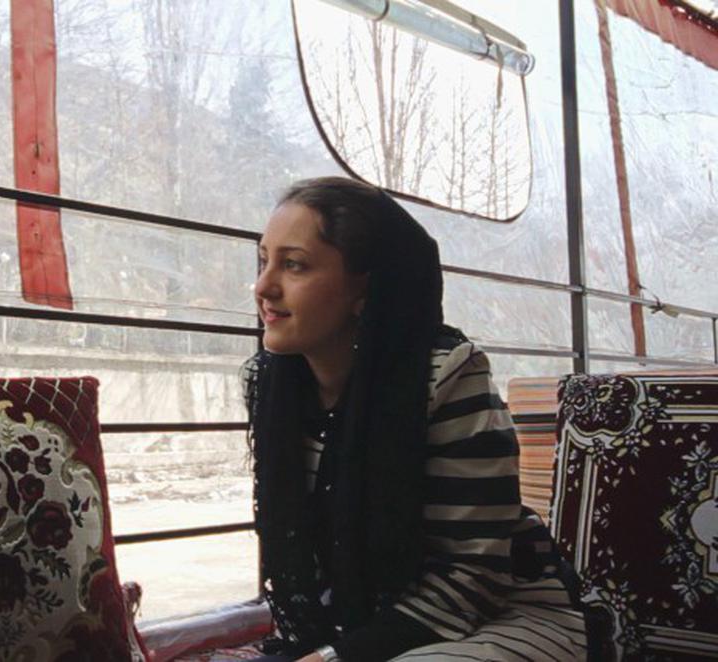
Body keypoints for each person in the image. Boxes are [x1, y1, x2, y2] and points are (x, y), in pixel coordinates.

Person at [244, 177, 593, 661]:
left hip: (500, 616)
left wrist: (338, 657)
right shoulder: (275, 389)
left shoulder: (445, 376)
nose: (263, 287)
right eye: (264, 261)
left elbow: (474, 578)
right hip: (363, 625)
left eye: (294, 265)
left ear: (364, 288)